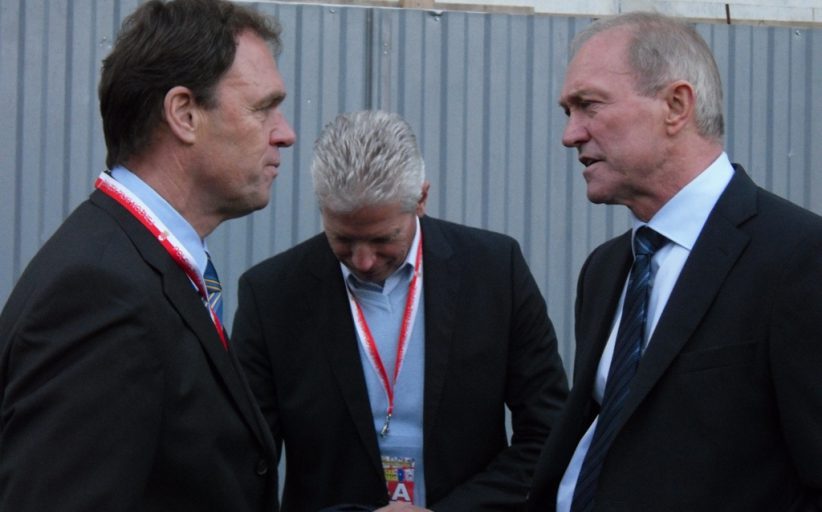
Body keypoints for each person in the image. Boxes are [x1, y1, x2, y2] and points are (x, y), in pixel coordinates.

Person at [0, 0, 295, 510]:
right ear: (184, 114)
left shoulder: (132, 263)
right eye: (262, 108)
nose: (284, 133)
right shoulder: (101, 294)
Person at [526, 11, 822, 512]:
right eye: (567, 111)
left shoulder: (799, 257)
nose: (570, 134)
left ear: (676, 106)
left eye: (588, 105)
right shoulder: (605, 270)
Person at [232, 109, 569, 511]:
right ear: (322, 208)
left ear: (421, 199)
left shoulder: (495, 271)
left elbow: (549, 433)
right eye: (343, 239)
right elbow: (244, 462)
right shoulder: (271, 295)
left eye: (382, 239)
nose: (363, 260)